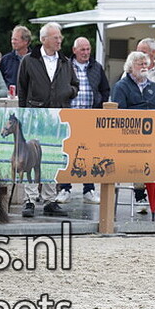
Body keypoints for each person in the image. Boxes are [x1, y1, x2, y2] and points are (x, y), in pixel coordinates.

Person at [17, 22, 78, 218]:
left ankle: (50, 200)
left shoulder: (65, 61)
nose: (59, 40)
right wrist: (26, 111)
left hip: (58, 114)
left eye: (60, 37)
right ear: (44, 39)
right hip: (35, 113)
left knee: (52, 156)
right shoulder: (29, 60)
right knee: (31, 158)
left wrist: (68, 91)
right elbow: (22, 88)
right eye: (56, 37)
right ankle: (30, 200)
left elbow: (75, 84)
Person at [111, 51, 155, 210]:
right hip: (133, 131)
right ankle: (139, 193)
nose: (144, 67)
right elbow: (119, 113)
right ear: (130, 67)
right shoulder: (121, 86)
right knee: (144, 141)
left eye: (145, 64)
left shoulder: (153, 86)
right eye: (140, 64)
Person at [56, 36, 110, 205]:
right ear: (74, 50)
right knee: (67, 152)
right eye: (82, 50)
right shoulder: (64, 65)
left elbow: (105, 89)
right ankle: (65, 188)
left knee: (89, 153)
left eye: (88, 49)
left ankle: (89, 189)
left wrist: (99, 105)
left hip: (89, 115)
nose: (86, 53)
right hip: (69, 114)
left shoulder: (96, 67)